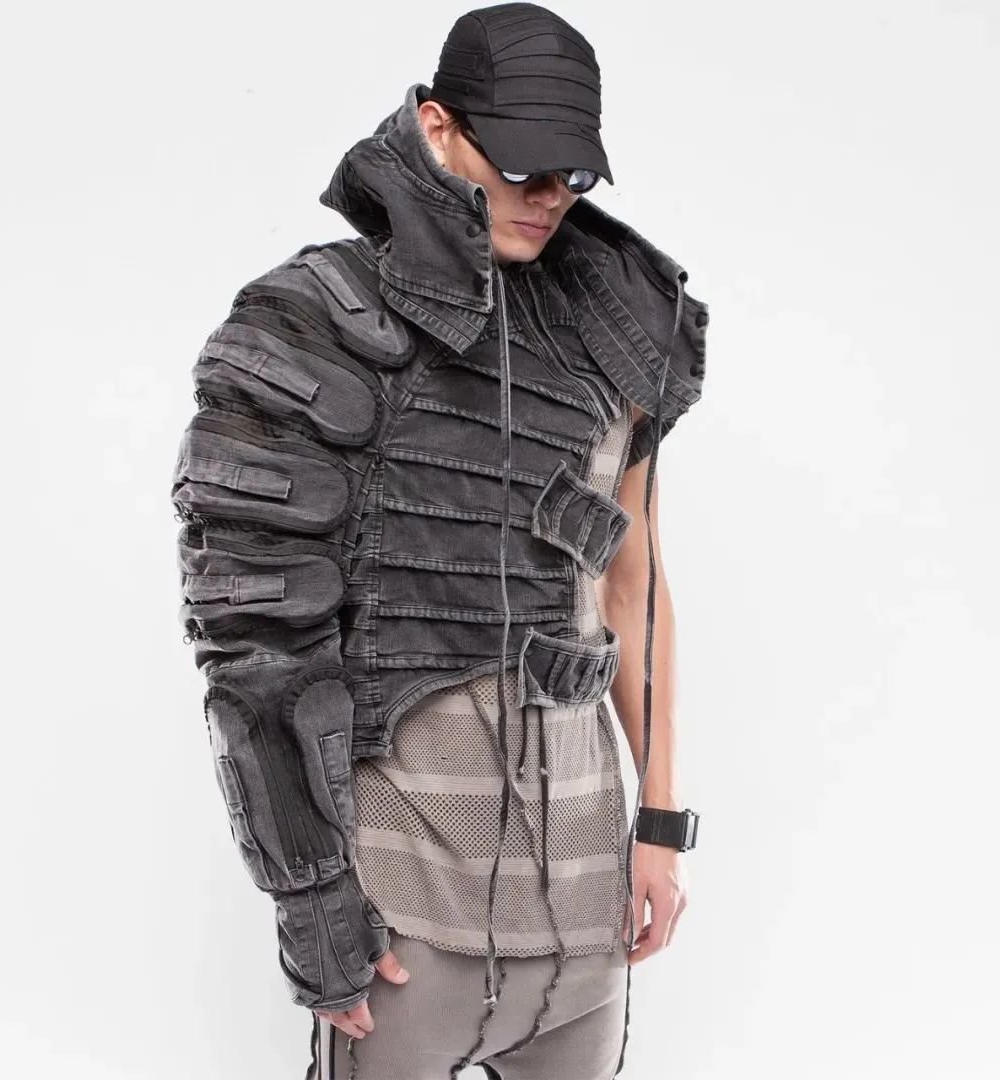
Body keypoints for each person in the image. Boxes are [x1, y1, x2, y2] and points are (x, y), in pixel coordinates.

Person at [170, 4, 707, 1078]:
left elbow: (634, 587)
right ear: (437, 126)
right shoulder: (313, 321)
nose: (547, 197)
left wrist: (659, 823)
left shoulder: (614, 334)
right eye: (521, 167)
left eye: (572, 175)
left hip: (589, 921)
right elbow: (257, 655)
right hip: (410, 925)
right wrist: (314, 906)